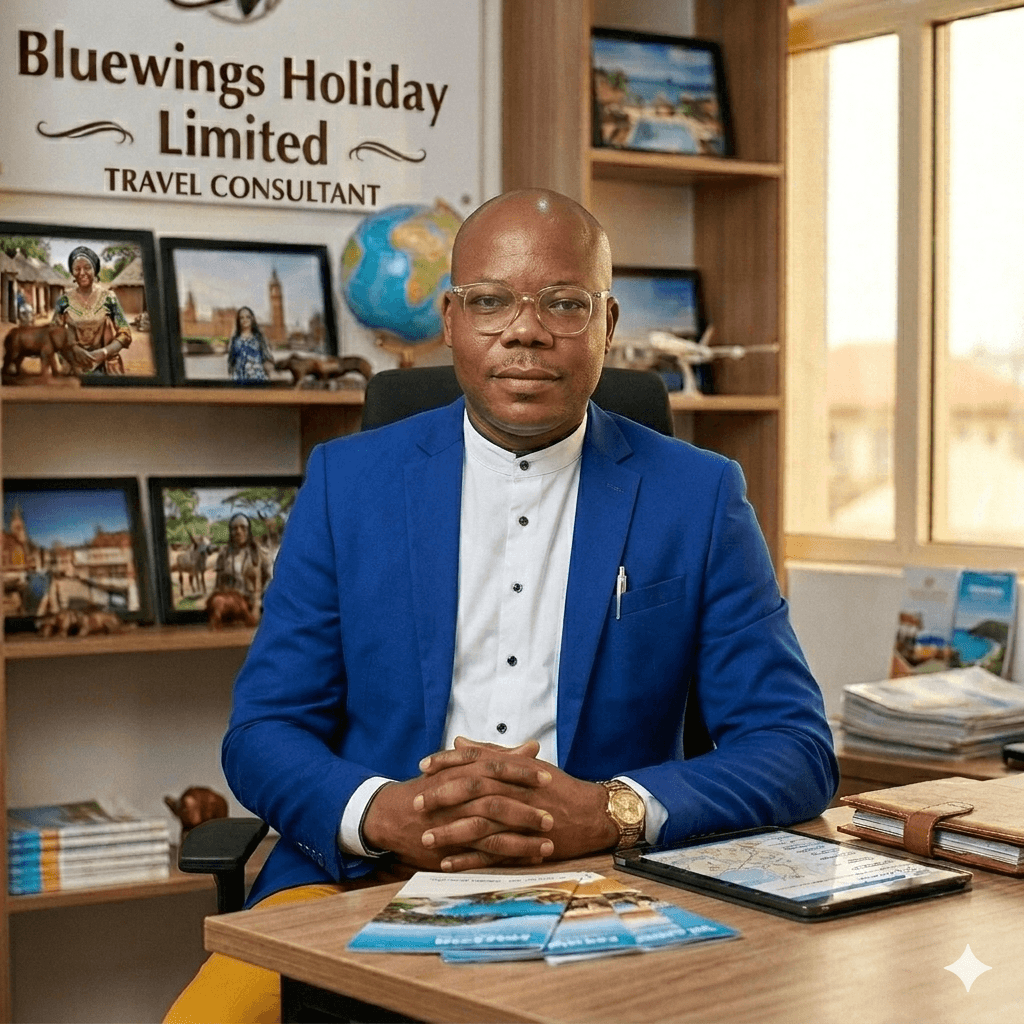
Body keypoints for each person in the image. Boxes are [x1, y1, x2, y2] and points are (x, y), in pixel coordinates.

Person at [165, 189, 837, 1022]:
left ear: (607, 322)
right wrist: (380, 813)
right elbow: (263, 732)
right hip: (361, 885)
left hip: (602, 890)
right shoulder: (349, 484)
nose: (525, 330)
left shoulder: (696, 497)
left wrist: (611, 809)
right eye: (490, 301)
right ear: (449, 319)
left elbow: (795, 749)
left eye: (563, 303)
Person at [52, 245, 132, 374]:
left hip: (103, 364)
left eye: (87, 268)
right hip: (73, 364)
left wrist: (105, 352)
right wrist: (73, 348)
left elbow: (125, 333)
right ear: (72, 273)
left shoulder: (108, 298)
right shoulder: (64, 301)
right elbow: (52, 333)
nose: (82, 273)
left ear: (95, 270)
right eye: (77, 269)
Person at [212, 513, 274, 618]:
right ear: (230, 532)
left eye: (243, 527)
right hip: (232, 602)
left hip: (254, 602)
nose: (239, 532)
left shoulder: (259, 552)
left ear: (249, 530)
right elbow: (218, 583)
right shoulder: (224, 554)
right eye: (234, 528)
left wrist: (257, 604)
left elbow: (271, 577)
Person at [226, 306, 274, 383]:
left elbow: (267, 359)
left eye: (248, 317)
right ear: (238, 321)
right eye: (242, 318)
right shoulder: (234, 340)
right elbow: (231, 362)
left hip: (258, 380)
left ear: (252, 318)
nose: (245, 320)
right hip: (238, 380)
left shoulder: (260, 338)